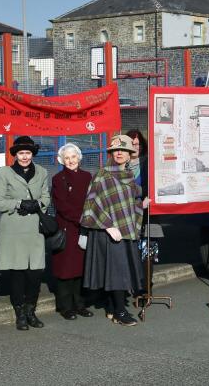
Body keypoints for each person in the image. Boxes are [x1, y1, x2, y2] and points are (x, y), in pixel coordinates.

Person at [81, 135, 148, 327]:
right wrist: (108, 225)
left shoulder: (128, 177)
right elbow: (91, 204)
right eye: (115, 150)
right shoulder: (102, 175)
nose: (119, 153)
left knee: (116, 271)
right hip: (107, 231)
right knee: (117, 272)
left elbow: (130, 202)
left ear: (129, 155)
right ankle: (120, 311)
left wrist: (141, 206)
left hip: (125, 230)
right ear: (111, 153)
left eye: (123, 150)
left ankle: (111, 308)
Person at [0, 136, 51, 331]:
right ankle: (20, 314)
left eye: (28, 153)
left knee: (34, 273)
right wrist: (18, 203)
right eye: (21, 153)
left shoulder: (42, 172)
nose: (25, 157)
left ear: (32, 154)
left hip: (34, 228)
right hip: (13, 229)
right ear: (15, 155)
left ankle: (31, 310)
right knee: (17, 272)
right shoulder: (4, 172)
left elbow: (46, 196)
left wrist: (38, 204)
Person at [51, 143, 93, 320]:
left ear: (79, 158)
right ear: (61, 160)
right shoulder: (58, 178)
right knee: (66, 270)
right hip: (68, 228)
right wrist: (82, 218)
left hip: (85, 227)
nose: (70, 160)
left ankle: (80, 304)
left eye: (73, 157)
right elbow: (61, 205)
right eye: (66, 158)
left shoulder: (87, 176)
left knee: (81, 269)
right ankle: (65, 307)